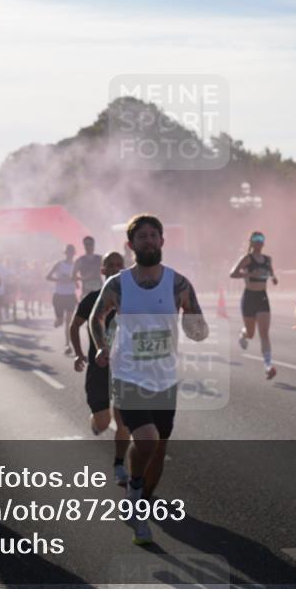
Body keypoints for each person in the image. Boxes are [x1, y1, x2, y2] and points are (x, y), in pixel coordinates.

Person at [90, 214, 209, 545]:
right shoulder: (118, 284)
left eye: (153, 235)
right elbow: (97, 318)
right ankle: (134, 490)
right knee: (146, 440)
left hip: (165, 377)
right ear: (131, 245)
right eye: (142, 236)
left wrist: (198, 328)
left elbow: (197, 326)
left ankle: (139, 501)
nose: (148, 241)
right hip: (128, 374)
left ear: (162, 241)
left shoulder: (178, 283)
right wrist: (101, 346)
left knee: (158, 449)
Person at [70, 251, 129, 486]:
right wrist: (78, 353)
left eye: (118, 265)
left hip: (125, 368)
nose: (114, 269)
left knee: (124, 421)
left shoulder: (132, 299)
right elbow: (74, 326)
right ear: (103, 270)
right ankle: (96, 422)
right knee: (104, 423)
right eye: (110, 265)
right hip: (99, 367)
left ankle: (119, 465)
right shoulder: (92, 299)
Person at [230, 231, 279, 380]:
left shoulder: (267, 259)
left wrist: (274, 279)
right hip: (249, 297)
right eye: (256, 239)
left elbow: (272, 274)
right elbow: (232, 274)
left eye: (261, 239)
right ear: (251, 242)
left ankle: (268, 365)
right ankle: (243, 334)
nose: (258, 241)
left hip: (262, 297)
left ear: (263, 242)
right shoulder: (247, 258)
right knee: (251, 333)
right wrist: (248, 275)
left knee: (264, 333)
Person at [47, 244, 78, 355]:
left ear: (74, 253)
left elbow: (76, 279)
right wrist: (60, 280)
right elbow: (48, 277)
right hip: (59, 295)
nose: (70, 254)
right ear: (65, 253)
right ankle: (58, 320)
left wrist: (76, 282)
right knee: (60, 321)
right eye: (68, 252)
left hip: (70, 295)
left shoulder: (75, 265)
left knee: (69, 322)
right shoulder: (59, 264)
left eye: (71, 252)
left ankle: (67, 345)